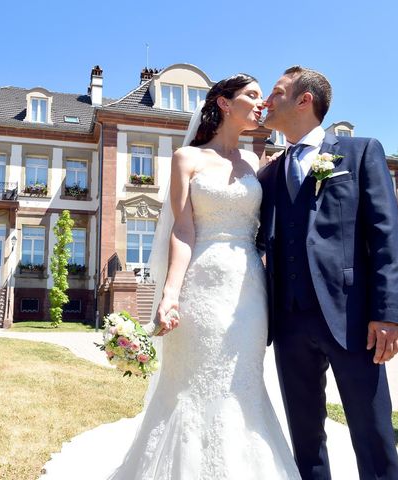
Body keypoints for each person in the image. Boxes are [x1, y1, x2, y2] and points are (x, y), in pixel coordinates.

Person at [107, 73, 301, 479]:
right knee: (194, 381)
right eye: (251, 95)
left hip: (248, 289)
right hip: (201, 285)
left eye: (263, 95)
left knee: (242, 381)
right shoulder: (187, 159)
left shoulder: (257, 163)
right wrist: (170, 293)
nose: (261, 101)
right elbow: (183, 230)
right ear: (225, 104)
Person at [258, 66, 398, 480]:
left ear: (304, 100)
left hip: (354, 318)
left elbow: (384, 237)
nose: (266, 102)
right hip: (288, 323)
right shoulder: (269, 174)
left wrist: (390, 312)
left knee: (373, 433)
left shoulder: (360, 152)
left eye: (277, 92)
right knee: (305, 441)